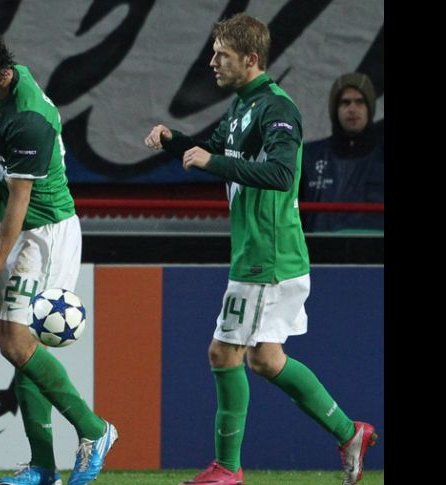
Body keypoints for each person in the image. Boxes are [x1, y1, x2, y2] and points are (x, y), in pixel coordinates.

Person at [144, 14, 377, 485]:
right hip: (261, 252)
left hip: (267, 256)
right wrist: (174, 143)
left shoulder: (277, 109)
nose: (211, 62)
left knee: (222, 353)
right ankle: (349, 431)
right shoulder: (243, 107)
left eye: (221, 55)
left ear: (250, 59)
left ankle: (227, 468)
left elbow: (280, 174)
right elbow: (210, 152)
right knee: (265, 358)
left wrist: (214, 160)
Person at [0, 25, 118, 485]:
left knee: (16, 341)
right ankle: (43, 467)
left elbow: (20, 198)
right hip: (14, 229)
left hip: (43, 231)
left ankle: (94, 430)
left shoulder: (30, 117)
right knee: (18, 346)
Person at [300, 72, 384, 233]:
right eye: (345, 103)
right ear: (335, 110)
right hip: (319, 255)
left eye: (360, 102)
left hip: (376, 255)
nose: (352, 109)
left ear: (369, 108)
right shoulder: (308, 157)